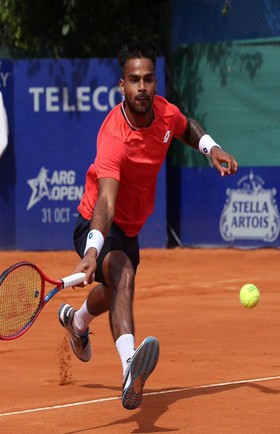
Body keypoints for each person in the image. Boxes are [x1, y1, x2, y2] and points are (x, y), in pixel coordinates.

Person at [58, 44, 238, 410]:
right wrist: (92, 250)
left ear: (155, 82)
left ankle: (76, 323)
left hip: (130, 228)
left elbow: (187, 129)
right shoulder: (113, 136)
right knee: (121, 274)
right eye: (134, 80)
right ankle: (130, 367)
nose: (142, 86)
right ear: (121, 86)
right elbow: (106, 202)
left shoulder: (164, 113)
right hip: (96, 223)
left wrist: (211, 148)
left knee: (112, 294)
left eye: (148, 79)